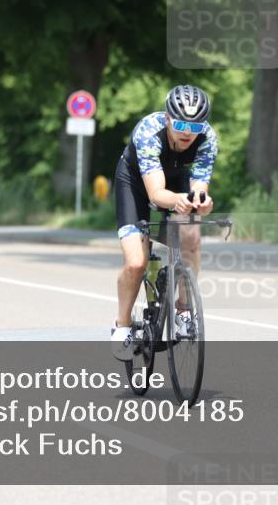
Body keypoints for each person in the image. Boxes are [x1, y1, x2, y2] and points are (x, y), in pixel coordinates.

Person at [111, 85, 218, 360]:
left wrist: (202, 202)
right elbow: (156, 194)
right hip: (137, 182)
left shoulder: (207, 138)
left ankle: (183, 310)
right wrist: (178, 201)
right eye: (180, 124)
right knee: (136, 262)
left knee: (191, 238)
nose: (187, 133)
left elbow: (199, 188)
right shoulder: (148, 131)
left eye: (194, 126)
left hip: (177, 179)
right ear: (168, 118)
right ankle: (122, 325)